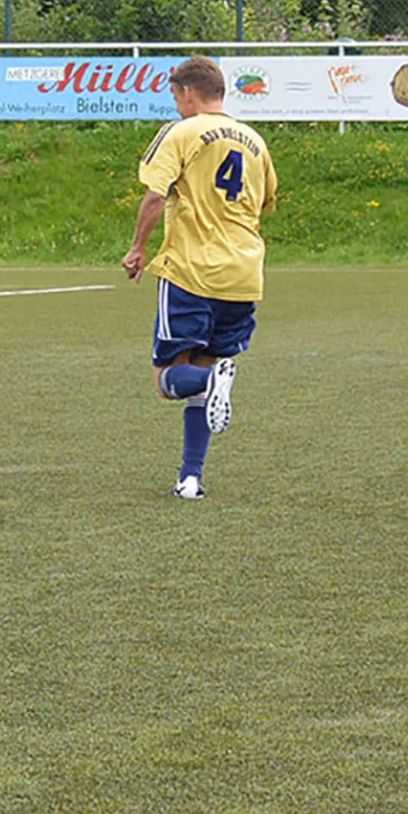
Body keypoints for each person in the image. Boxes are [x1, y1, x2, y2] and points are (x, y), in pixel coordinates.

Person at [121, 56, 278, 500]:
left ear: (188, 92)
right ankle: (191, 478)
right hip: (244, 273)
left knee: (169, 378)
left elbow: (155, 196)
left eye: (175, 96)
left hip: (192, 271)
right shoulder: (255, 140)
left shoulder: (181, 132)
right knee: (203, 373)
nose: (176, 105)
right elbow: (265, 201)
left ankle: (213, 382)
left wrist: (137, 248)